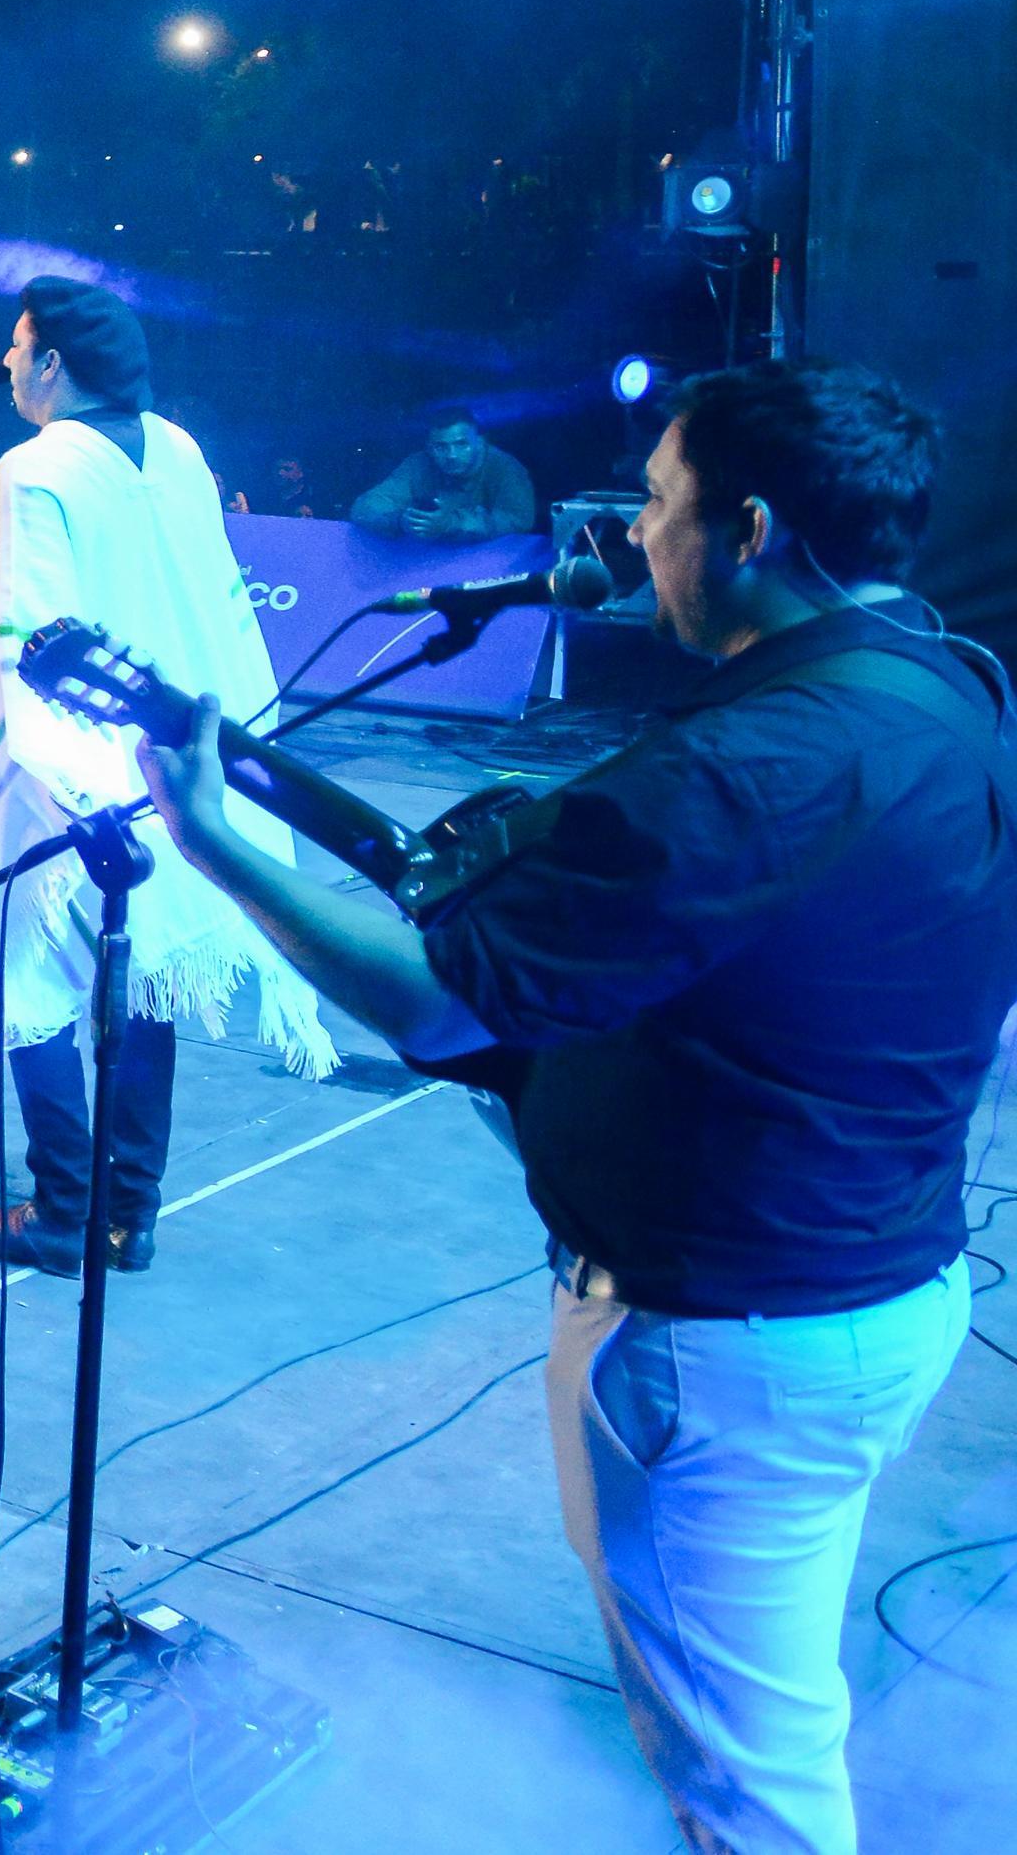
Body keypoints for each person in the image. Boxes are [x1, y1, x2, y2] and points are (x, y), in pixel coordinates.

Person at [139, 358, 1014, 1855]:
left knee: (754, 1781)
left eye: (658, 505)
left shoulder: (734, 774)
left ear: (747, 526)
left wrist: (210, 839)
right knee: (767, 1703)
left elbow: (431, 997)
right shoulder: (946, 679)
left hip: (731, 1343)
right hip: (878, 1272)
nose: (627, 535)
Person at [0, 278, 330, 1279]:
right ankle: (127, 1217)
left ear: (51, 361)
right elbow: (211, 599)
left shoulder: (32, 466)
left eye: (16, 341)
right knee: (145, 968)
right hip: (177, 748)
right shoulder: (177, 446)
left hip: (64, 758)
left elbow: (36, 631)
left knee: (24, 967)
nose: (4, 358)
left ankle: (58, 1211)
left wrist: (60, 781)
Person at [349, 405, 538, 544]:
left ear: (480, 442)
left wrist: (451, 523)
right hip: (432, 563)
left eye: (461, 444)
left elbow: (518, 522)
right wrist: (401, 521)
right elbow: (364, 507)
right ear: (429, 448)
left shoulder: (506, 468)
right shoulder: (417, 464)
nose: (452, 455)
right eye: (441, 447)